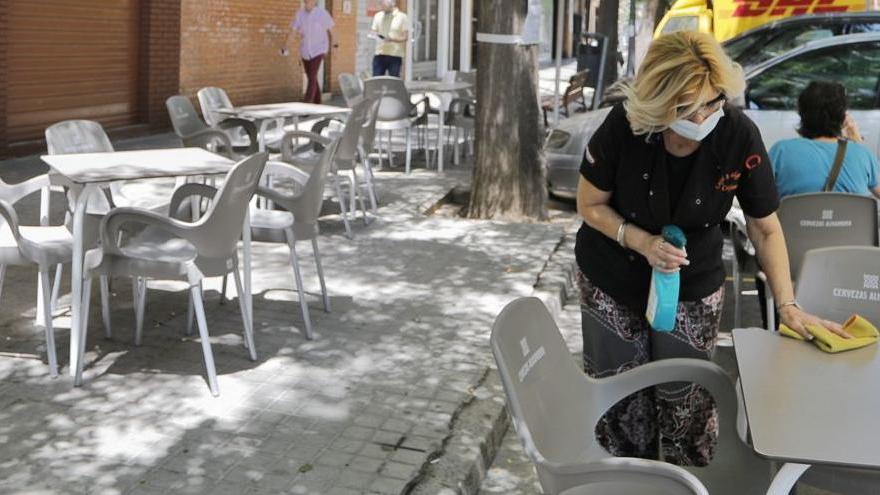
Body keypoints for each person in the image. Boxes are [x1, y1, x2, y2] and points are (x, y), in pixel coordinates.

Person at [575, 31, 849, 466]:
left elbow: (765, 228)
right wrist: (641, 241)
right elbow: (589, 205)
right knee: (622, 407)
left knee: (689, 404)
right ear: (658, 102)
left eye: (713, 101)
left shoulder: (738, 134)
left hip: (694, 278)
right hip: (613, 272)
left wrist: (789, 304)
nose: (703, 116)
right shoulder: (624, 126)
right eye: (687, 107)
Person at [770, 80, 880, 199]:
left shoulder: (781, 151)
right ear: (843, 117)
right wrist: (858, 143)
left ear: (801, 113)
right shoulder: (862, 155)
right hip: (851, 218)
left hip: (794, 218)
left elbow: (758, 198)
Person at [286, 0, 334, 104]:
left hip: (319, 49)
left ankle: (307, 103)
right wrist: (286, 46)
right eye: (305, 1)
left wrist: (336, 45)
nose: (306, 2)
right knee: (311, 75)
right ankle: (317, 102)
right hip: (305, 50)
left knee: (311, 76)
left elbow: (332, 30)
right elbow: (293, 31)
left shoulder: (322, 13)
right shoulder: (300, 14)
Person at [371, 0, 409, 77]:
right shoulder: (378, 16)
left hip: (395, 55)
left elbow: (405, 37)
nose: (383, 8)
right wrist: (374, 35)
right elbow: (373, 31)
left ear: (392, 4)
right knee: (376, 80)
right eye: (382, 5)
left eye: (385, 6)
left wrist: (392, 39)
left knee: (393, 82)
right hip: (379, 53)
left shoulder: (402, 17)